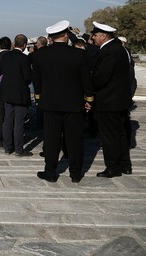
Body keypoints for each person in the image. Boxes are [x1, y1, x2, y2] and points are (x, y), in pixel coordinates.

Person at [32, 21, 93, 183]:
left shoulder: (40, 55)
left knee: (51, 139)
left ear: (51, 38)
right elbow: (86, 80)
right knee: (74, 139)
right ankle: (75, 173)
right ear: (66, 35)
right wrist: (89, 99)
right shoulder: (79, 55)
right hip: (73, 104)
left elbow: (36, 81)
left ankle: (50, 171)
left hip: (50, 103)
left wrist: (38, 98)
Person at [91, 22, 132, 177]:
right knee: (120, 134)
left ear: (103, 35)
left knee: (110, 136)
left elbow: (101, 77)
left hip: (109, 101)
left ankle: (113, 167)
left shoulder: (109, 51)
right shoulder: (119, 49)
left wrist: (89, 88)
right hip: (119, 100)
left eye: (95, 35)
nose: (93, 38)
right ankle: (125, 164)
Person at [0, 34, 32, 156]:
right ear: (25, 45)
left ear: (14, 43)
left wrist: (6, 82)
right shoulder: (24, 58)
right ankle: (19, 149)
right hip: (20, 93)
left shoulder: (5, 57)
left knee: (7, 120)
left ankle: (7, 147)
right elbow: (27, 77)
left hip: (6, 92)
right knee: (19, 122)